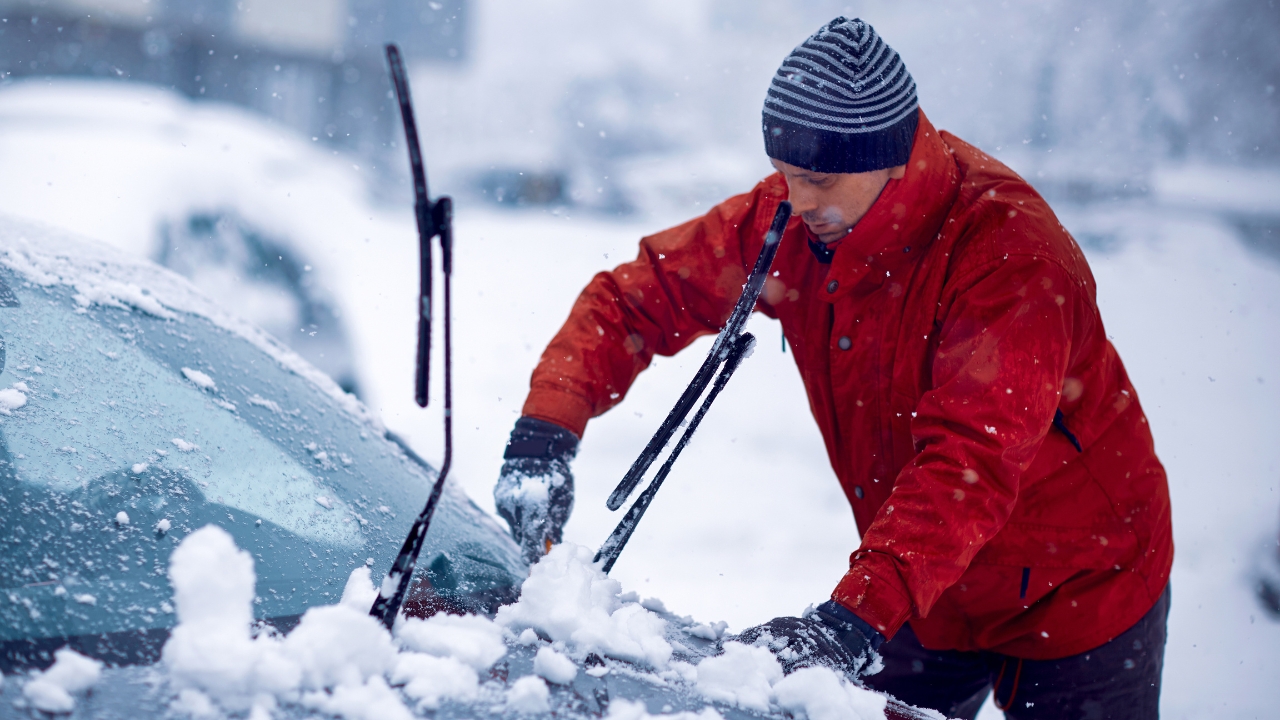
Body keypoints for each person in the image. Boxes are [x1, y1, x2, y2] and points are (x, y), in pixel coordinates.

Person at [494, 17, 1172, 720]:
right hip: (918, 588)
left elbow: (969, 465)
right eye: (784, 175)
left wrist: (850, 622)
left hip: (1079, 589)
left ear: (890, 156)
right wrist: (546, 429)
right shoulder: (793, 221)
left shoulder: (1006, 255)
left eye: (816, 178)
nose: (796, 200)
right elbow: (637, 298)